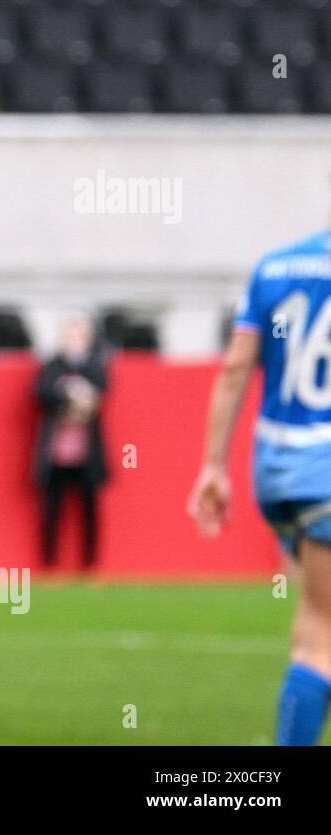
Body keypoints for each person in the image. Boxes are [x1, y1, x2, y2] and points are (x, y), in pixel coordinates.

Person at [188, 229, 331, 746]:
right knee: (323, 640)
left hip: (277, 475)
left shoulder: (274, 267)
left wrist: (211, 465)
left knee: (314, 628)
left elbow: (234, 369)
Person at [33, 315, 108, 569]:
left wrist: (81, 400)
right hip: (57, 453)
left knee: (89, 509)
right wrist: (70, 398)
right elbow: (43, 393)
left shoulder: (95, 366)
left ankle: (90, 565)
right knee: (52, 508)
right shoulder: (53, 366)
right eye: (69, 336)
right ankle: (49, 564)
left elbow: (101, 394)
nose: (72, 341)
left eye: (77, 336)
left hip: (87, 454)